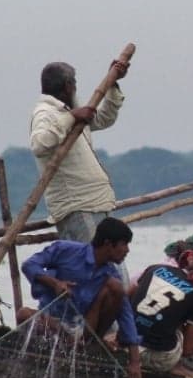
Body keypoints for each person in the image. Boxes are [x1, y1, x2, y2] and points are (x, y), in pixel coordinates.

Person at [20, 217, 142, 378]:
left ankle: (88, 344)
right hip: (52, 322)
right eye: (124, 244)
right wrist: (55, 283)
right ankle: (65, 345)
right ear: (108, 244)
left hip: (82, 331)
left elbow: (126, 316)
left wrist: (134, 361)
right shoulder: (65, 250)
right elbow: (29, 265)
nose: (127, 250)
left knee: (117, 289)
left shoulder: (111, 275)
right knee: (23, 315)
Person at [29, 58, 130, 243]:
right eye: (74, 83)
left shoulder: (69, 109)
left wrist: (112, 82)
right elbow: (39, 144)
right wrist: (71, 117)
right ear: (68, 86)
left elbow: (104, 119)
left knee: (108, 265)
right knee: (94, 265)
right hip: (77, 205)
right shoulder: (45, 113)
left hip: (95, 202)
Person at [131, 242, 193, 377]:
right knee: (181, 323)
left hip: (126, 343)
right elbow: (189, 349)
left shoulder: (155, 268)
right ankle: (176, 366)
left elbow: (128, 295)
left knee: (171, 311)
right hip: (156, 358)